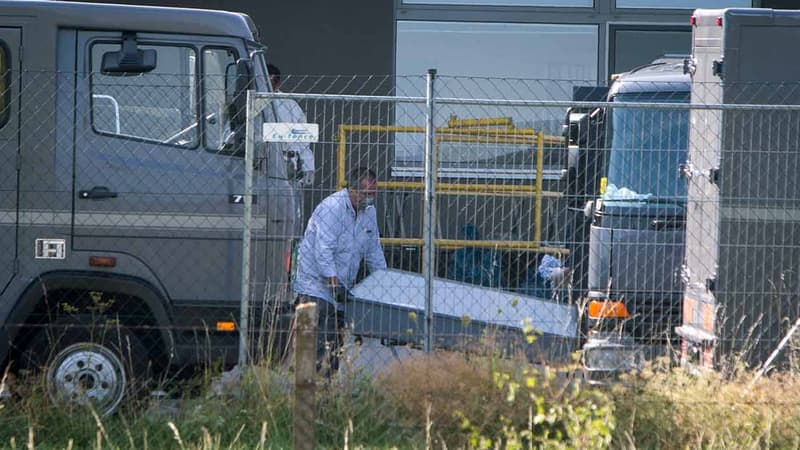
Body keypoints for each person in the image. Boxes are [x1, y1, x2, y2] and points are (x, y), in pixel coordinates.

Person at [293, 167, 387, 375]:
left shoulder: (368, 213)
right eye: (365, 194)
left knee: (333, 350)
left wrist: (384, 283)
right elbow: (323, 251)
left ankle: (325, 397)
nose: (369, 199)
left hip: (340, 288)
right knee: (317, 349)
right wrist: (334, 283)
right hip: (316, 288)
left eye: (372, 194)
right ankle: (310, 398)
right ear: (352, 190)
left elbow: (373, 250)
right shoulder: (332, 208)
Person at [267, 63, 315, 186]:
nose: (267, 85)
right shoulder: (248, 103)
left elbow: (304, 138)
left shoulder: (289, 105)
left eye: (271, 81)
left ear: (277, 83)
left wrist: (307, 167)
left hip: (288, 164)